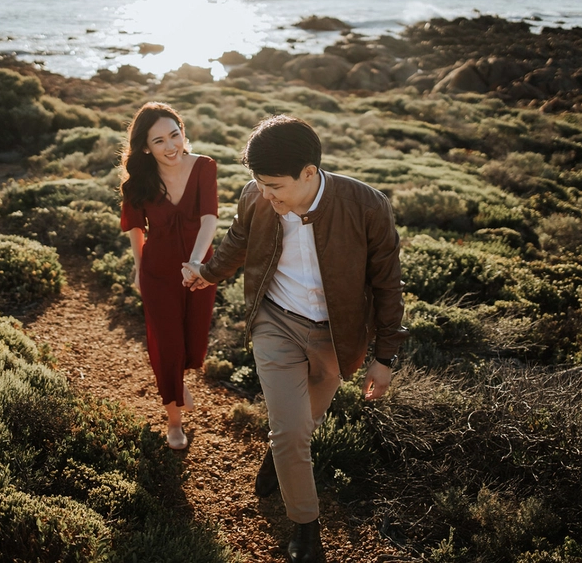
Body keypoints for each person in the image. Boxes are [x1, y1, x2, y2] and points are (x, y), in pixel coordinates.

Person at [183, 115, 408, 562]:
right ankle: (306, 530)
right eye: (260, 185)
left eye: (275, 187)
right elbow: (238, 241)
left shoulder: (366, 205)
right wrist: (207, 274)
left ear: (309, 173)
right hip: (275, 322)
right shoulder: (257, 195)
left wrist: (384, 358)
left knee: (302, 427)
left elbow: (388, 285)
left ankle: (279, 458)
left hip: (336, 337)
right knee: (291, 432)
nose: (266, 195)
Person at [120, 101, 218, 450]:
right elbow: (135, 229)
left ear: (183, 132)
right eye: (159, 140)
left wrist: (196, 264)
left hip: (200, 269)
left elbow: (210, 218)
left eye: (174, 135)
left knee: (193, 341)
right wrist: (138, 268)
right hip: (158, 271)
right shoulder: (139, 181)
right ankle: (174, 422)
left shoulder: (204, 167)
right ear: (146, 147)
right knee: (167, 344)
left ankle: (177, 377)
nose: (170, 146)